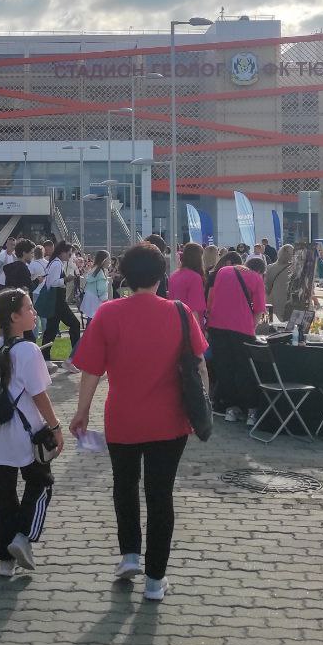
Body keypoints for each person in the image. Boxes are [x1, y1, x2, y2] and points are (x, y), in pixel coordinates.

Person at [70, 243, 207, 602]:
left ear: (124, 276)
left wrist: (82, 411)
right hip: (170, 422)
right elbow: (199, 366)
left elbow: (90, 371)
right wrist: (203, 405)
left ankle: (130, 554)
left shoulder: (108, 313)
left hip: (122, 419)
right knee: (160, 497)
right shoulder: (180, 312)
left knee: (124, 486)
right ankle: (155, 581)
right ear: (162, 276)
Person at [0, 288, 63, 577]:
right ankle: (23, 536)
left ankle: (5, 560)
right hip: (28, 432)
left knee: (3, 497)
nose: (34, 312)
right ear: (14, 317)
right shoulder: (29, 350)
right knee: (42, 483)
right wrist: (55, 427)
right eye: (29, 308)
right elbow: (39, 394)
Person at [206, 251, 267, 427]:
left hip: (217, 325)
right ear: (260, 271)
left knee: (224, 369)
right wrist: (252, 328)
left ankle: (230, 409)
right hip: (241, 328)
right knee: (244, 370)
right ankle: (251, 410)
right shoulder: (256, 278)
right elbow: (259, 310)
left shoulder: (224, 271)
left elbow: (213, 298)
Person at [39, 242, 81, 364]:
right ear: (62, 252)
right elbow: (53, 282)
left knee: (51, 330)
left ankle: (45, 358)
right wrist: (66, 279)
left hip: (56, 300)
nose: (70, 256)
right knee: (75, 324)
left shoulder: (55, 262)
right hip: (58, 300)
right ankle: (74, 357)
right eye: (69, 253)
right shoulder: (57, 263)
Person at [166, 243, 206, 331]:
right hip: (189, 326)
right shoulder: (195, 277)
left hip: (175, 323)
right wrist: (198, 333)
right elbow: (194, 309)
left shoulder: (174, 275)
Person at [265, 244, 295, 323]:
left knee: (274, 325)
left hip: (273, 301)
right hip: (289, 301)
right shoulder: (294, 269)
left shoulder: (270, 267)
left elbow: (266, 287)